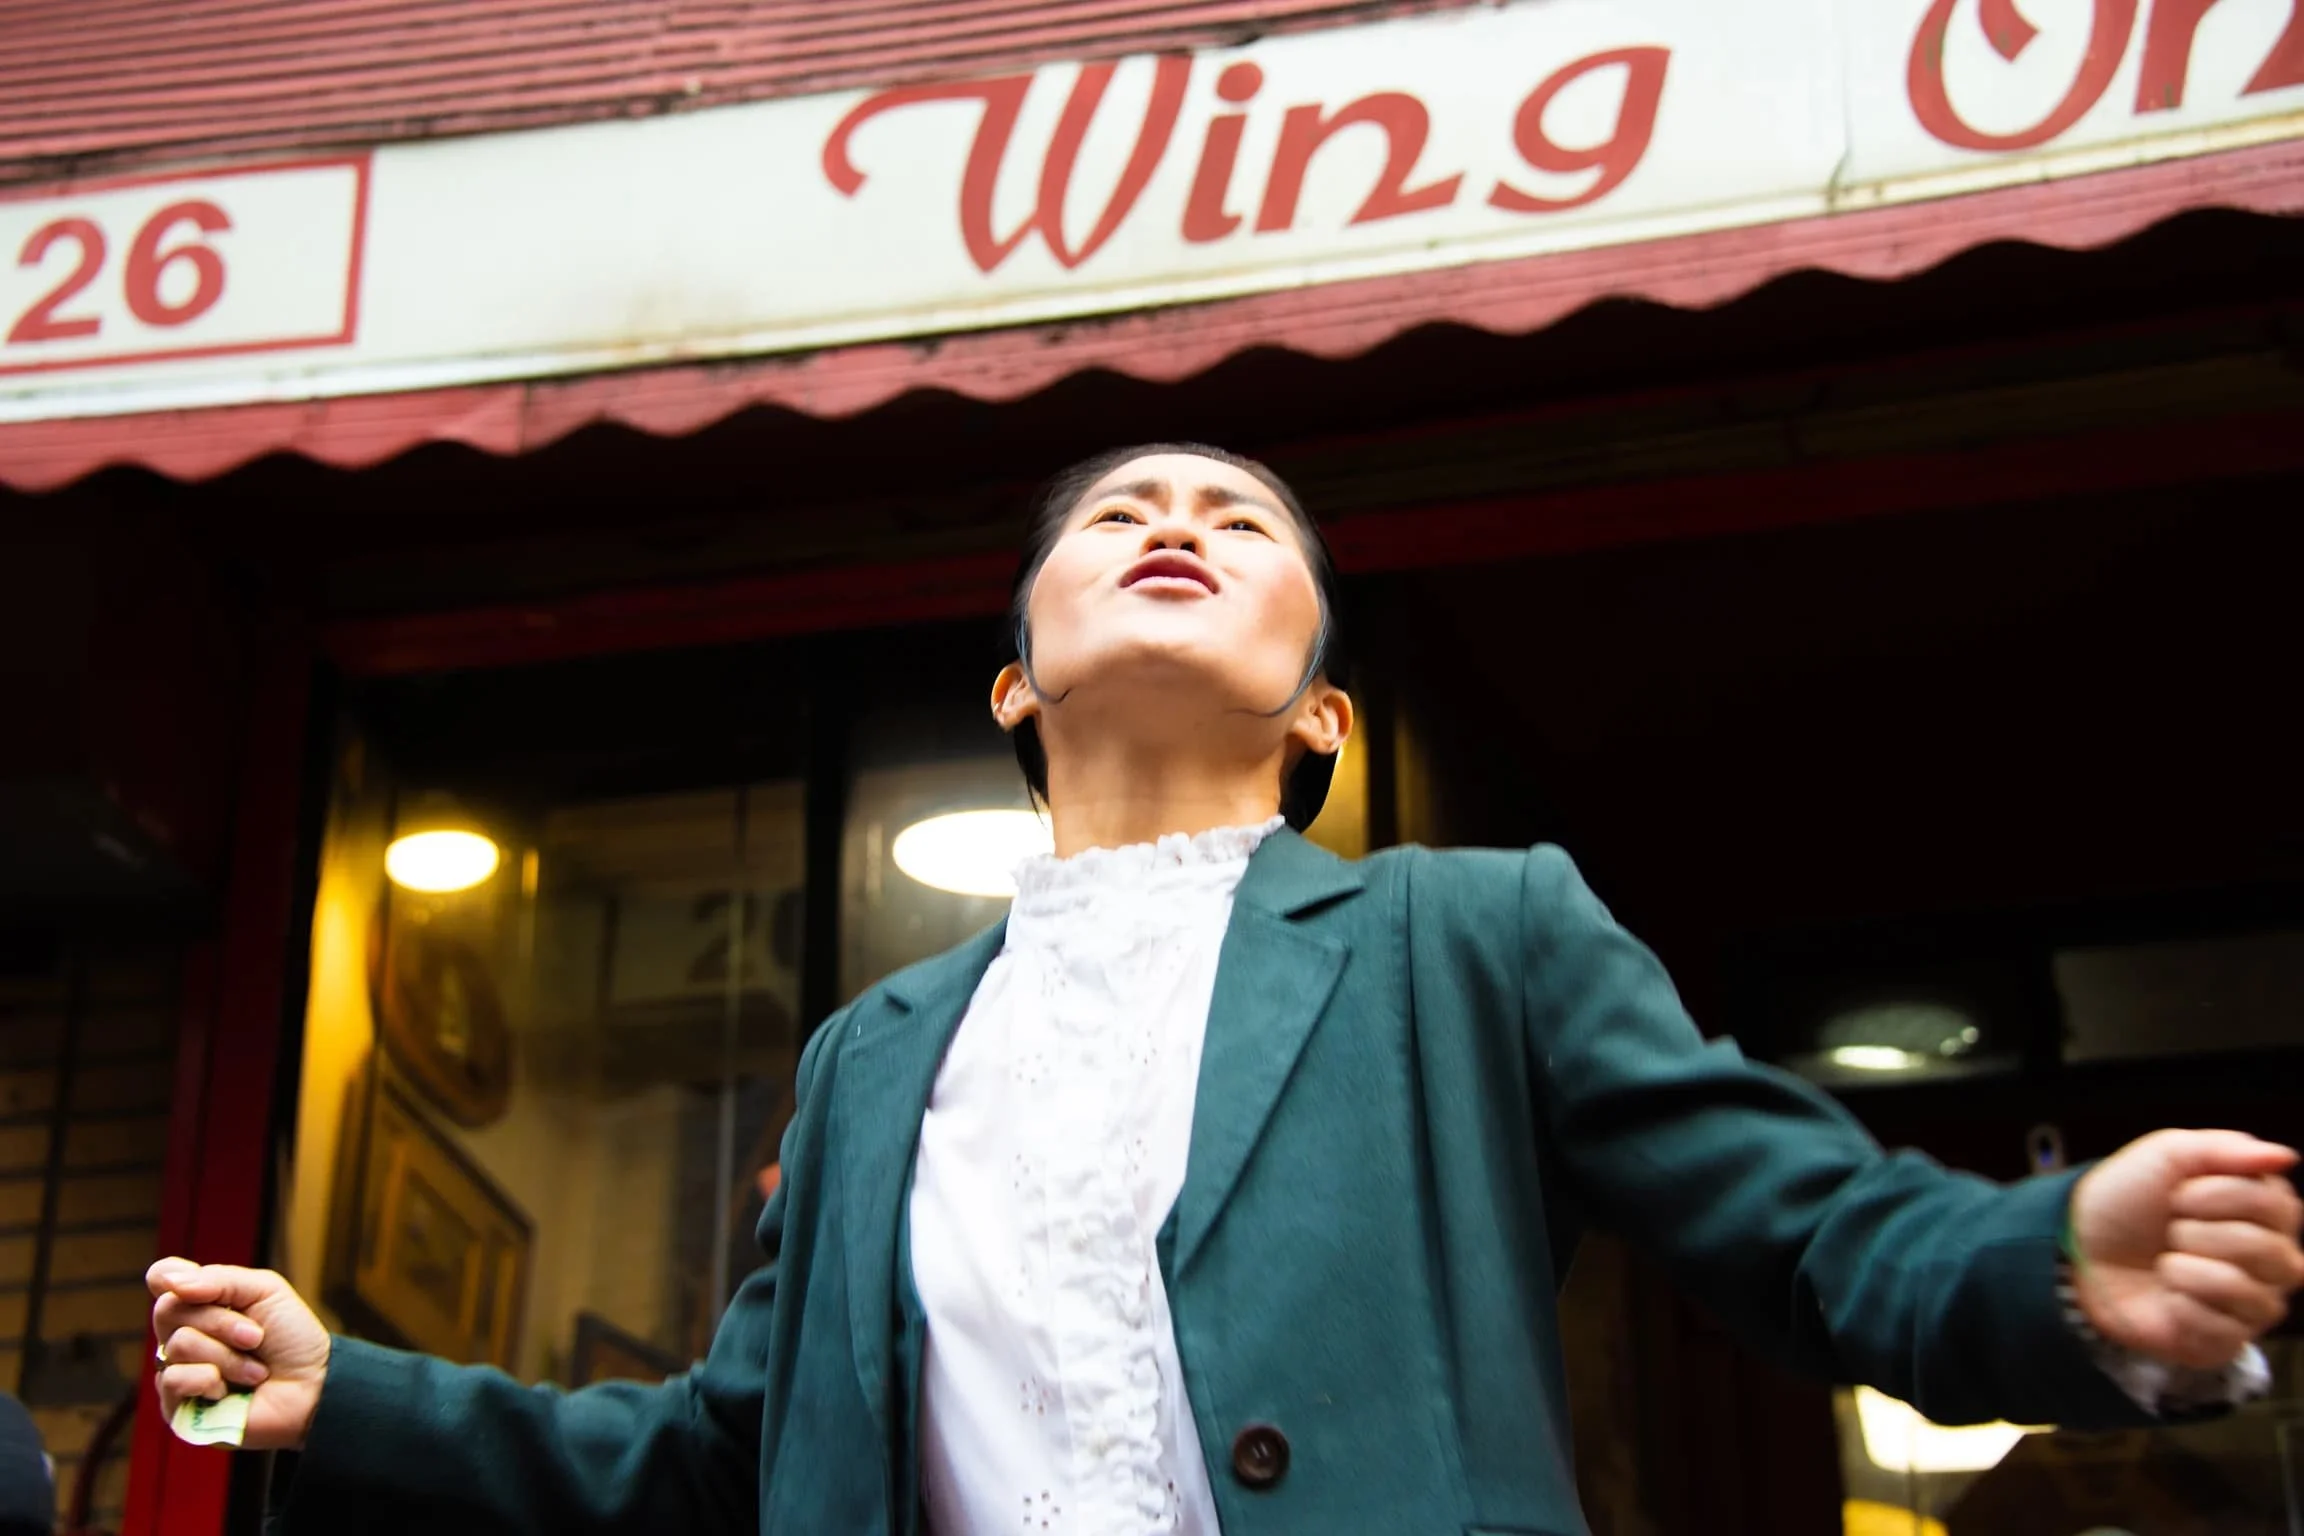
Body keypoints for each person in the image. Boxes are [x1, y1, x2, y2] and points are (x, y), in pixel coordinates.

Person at [150, 445, 2304, 1536]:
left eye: (1239, 521)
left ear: (1323, 723)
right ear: (1014, 679)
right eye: (1115, 513)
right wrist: (355, 1390)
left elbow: (1808, 1224)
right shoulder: (878, 1054)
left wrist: (2043, 1269)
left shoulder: (1476, 935)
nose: (1173, 515)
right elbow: (732, 1453)